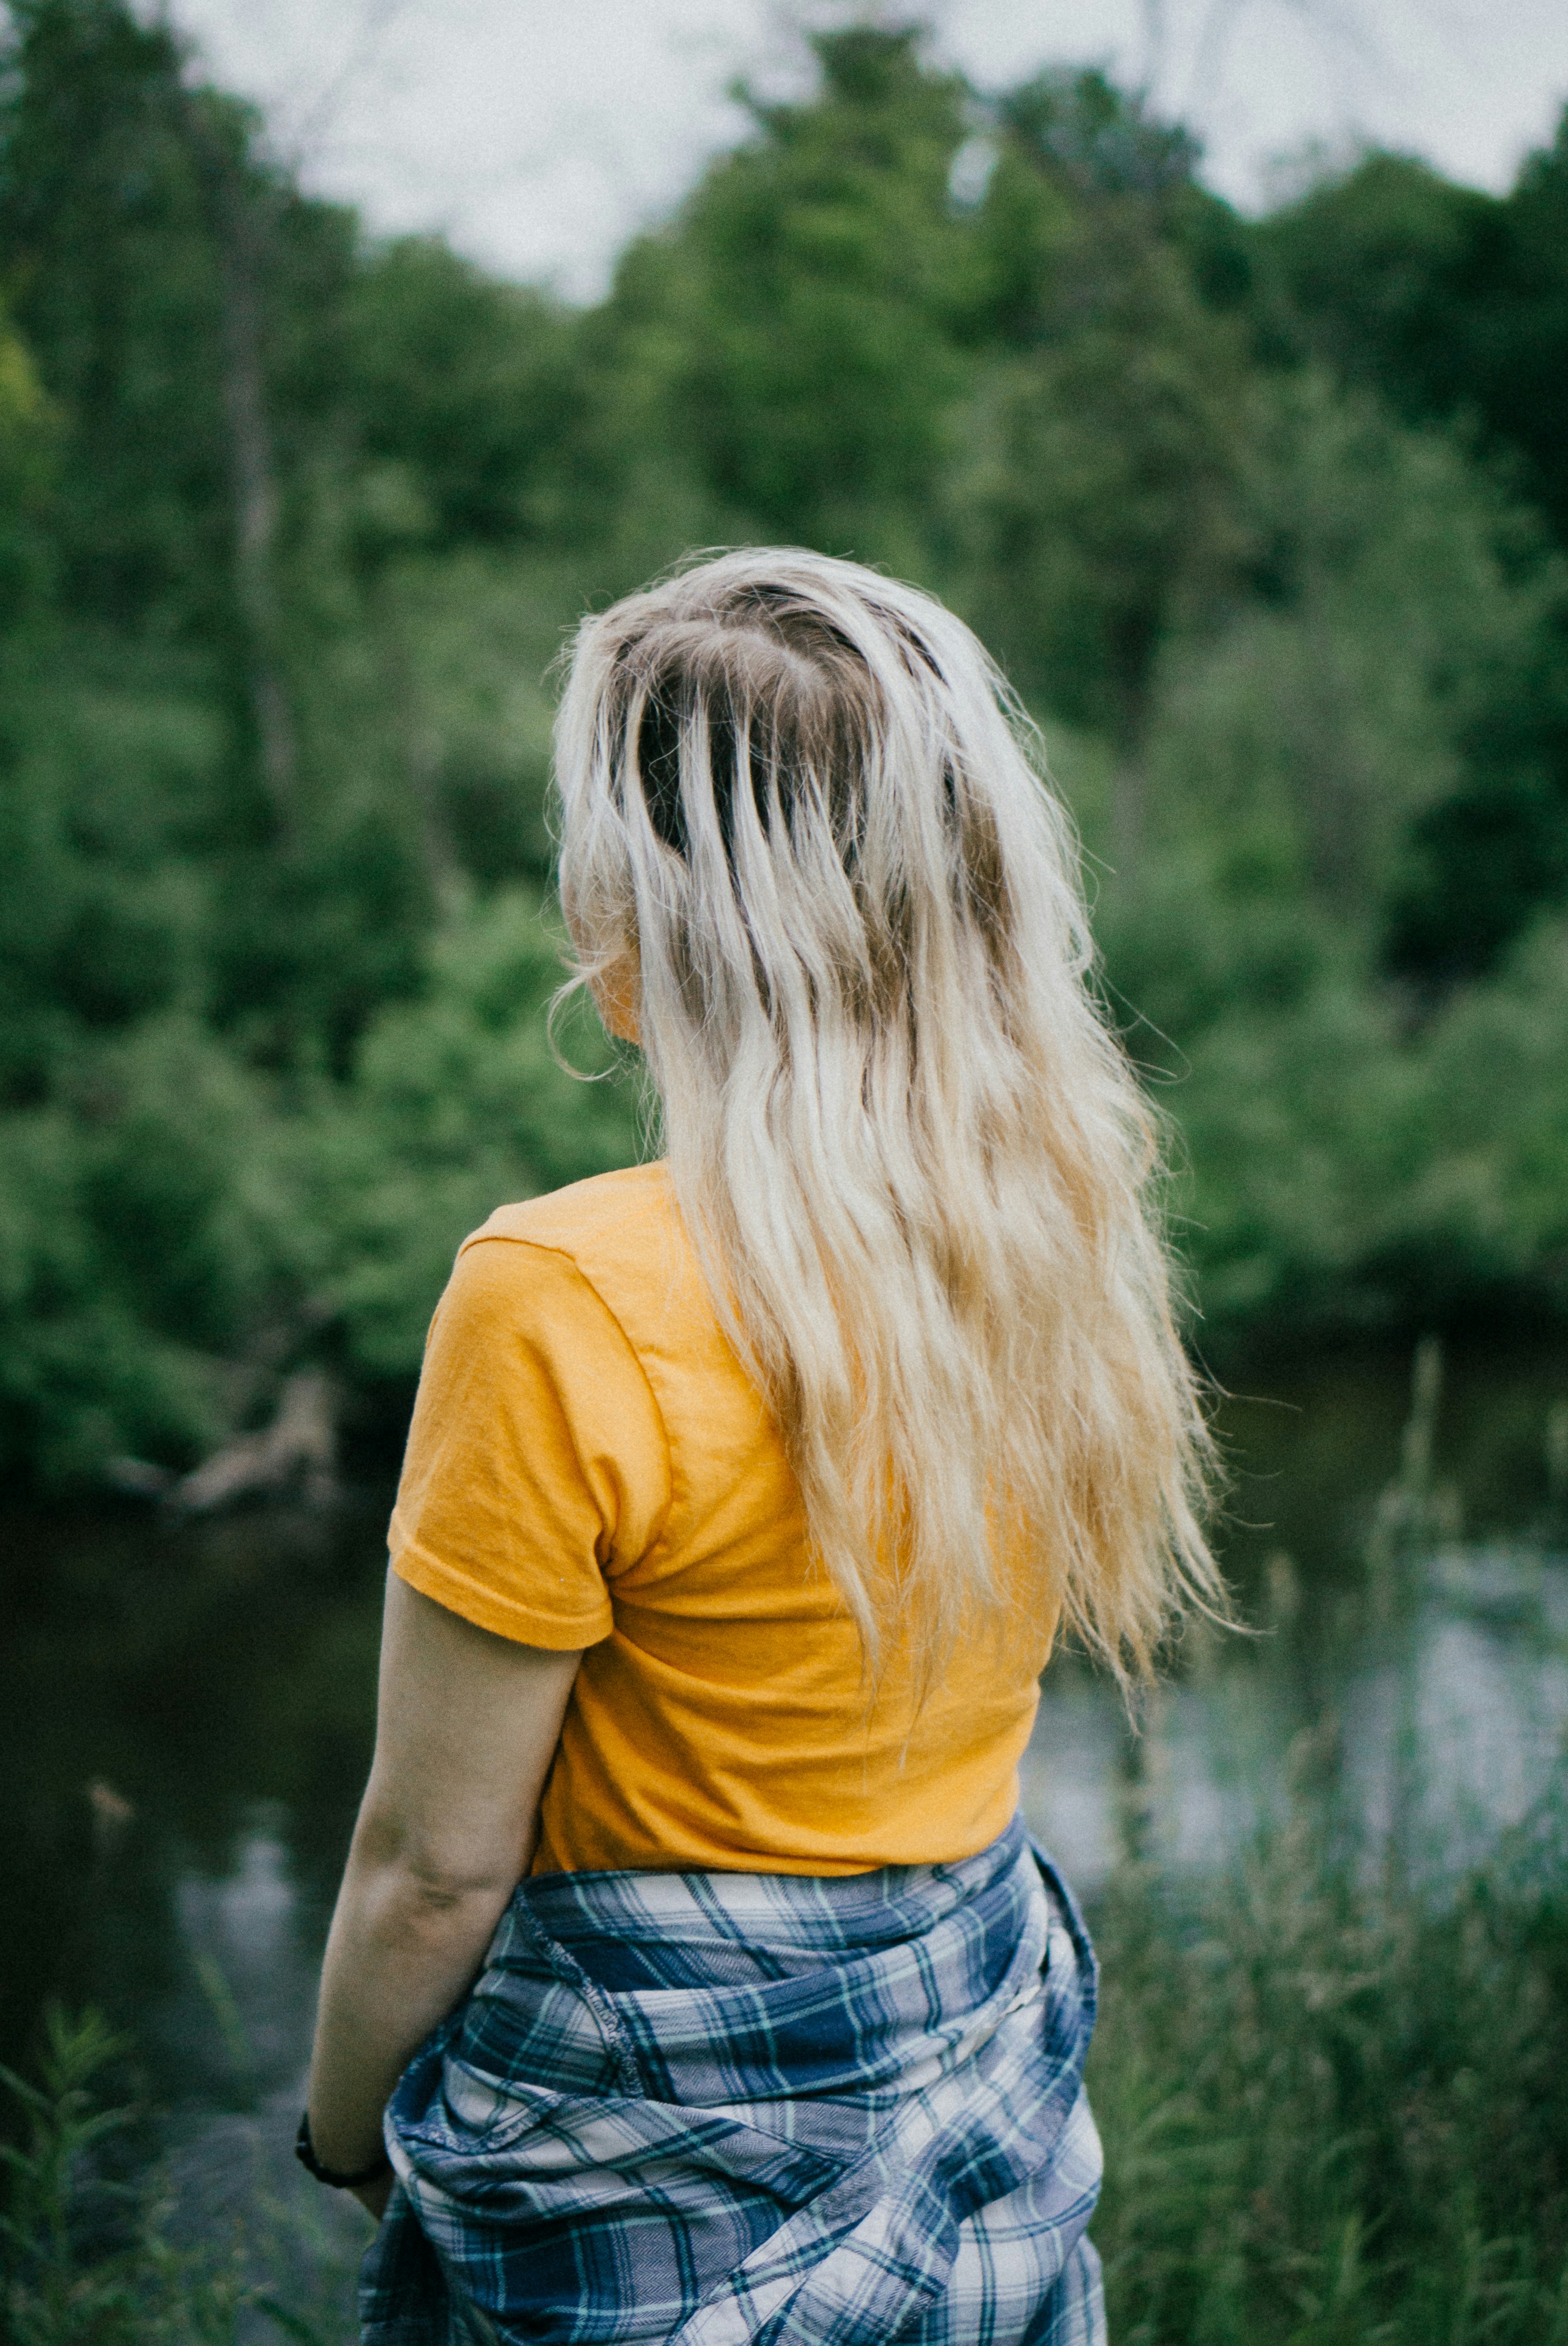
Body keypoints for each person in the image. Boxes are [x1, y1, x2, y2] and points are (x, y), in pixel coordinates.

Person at [298, 549, 1222, 2345]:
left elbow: (432, 1866)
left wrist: (344, 2128)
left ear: (644, 917)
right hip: (968, 2064)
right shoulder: (1053, 1227)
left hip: (639, 2143)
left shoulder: (556, 1291)